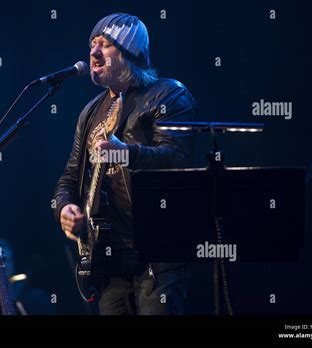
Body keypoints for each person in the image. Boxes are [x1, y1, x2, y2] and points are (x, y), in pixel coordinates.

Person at [53, 13, 197, 315]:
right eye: (92, 44)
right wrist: (64, 208)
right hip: (109, 258)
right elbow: (70, 176)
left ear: (129, 52)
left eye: (104, 44)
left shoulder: (169, 94)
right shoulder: (90, 112)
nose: (92, 52)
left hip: (159, 253)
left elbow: (178, 159)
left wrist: (126, 153)